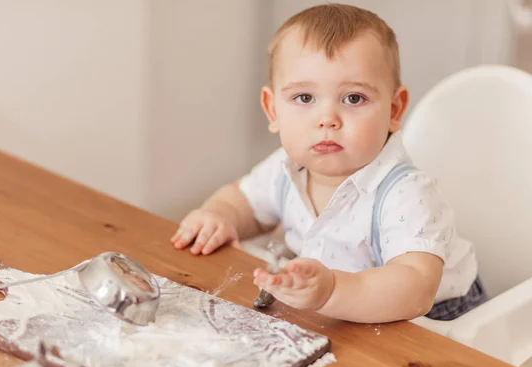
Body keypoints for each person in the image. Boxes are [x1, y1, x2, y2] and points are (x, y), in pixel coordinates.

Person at [171, 3, 486, 323]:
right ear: (273, 109)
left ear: (393, 110)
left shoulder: (405, 193)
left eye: (353, 98)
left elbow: (415, 287)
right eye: (305, 98)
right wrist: (219, 216)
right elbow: (245, 203)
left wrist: (333, 291)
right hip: (338, 308)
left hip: (432, 321)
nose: (327, 119)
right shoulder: (285, 168)